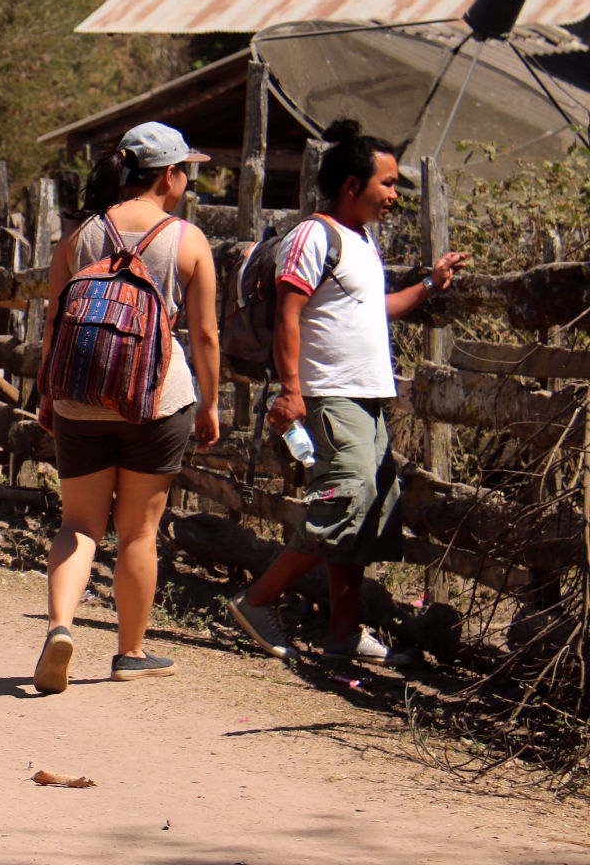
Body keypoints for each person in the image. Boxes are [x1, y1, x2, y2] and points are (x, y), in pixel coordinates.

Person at [226, 119, 469, 666]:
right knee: (345, 501)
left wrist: (430, 284)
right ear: (351, 184)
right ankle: (257, 600)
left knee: (367, 516)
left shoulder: (359, 241)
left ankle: (342, 634)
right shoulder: (315, 235)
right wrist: (292, 391)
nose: (393, 195)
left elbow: (373, 311)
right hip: (329, 396)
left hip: (366, 397)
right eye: (386, 183)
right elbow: (289, 311)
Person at [33, 122, 222, 695]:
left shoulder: (81, 235)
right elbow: (207, 335)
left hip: (79, 396)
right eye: (186, 169)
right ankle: (130, 652)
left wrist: (48, 393)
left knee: (78, 524)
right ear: (169, 175)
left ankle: (61, 625)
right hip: (157, 401)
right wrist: (210, 407)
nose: (188, 179)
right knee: (139, 531)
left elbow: (53, 322)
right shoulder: (186, 239)